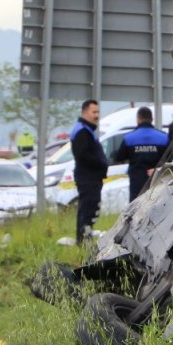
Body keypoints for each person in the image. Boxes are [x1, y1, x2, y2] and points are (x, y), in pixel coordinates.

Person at [70, 99, 109, 243]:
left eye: (98, 112)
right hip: (88, 178)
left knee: (89, 208)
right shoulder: (82, 131)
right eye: (94, 112)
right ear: (85, 112)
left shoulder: (86, 130)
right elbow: (83, 155)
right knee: (88, 209)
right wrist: (100, 164)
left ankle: (85, 237)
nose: (96, 115)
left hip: (91, 177)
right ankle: (83, 240)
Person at [114, 106, 169, 202]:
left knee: (135, 209)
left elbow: (119, 158)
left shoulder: (129, 138)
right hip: (156, 180)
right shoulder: (163, 137)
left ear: (138, 119)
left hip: (136, 182)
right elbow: (170, 159)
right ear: (152, 120)